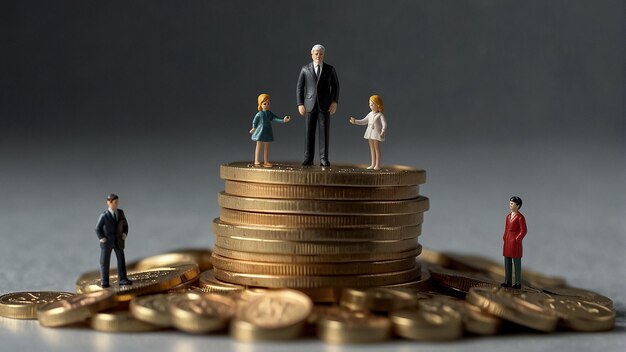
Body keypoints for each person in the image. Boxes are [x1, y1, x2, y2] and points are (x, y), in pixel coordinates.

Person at [296, 44, 340, 167]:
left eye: (321, 54)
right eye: (316, 53)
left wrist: (334, 102)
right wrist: (300, 103)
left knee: (324, 132)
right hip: (309, 104)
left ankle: (324, 158)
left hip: (325, 105)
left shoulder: (329, 69)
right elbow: (300, 87)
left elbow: (336, 86)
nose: (318, 56)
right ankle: (308, 158)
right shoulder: (305, 69)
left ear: (323, 55)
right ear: (312, 54)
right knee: (308, 132)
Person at [95, 194, 132, 287]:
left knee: (121, 260)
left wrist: (124, 233)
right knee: (105, 262)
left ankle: (123, 279)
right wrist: (101, 237)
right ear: (109, 203)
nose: (116, 204)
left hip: (118, 241)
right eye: (115, 203)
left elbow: (125, 225)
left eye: (117, 202)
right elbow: (97, 228)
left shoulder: (120, 213)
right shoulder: (104, 215)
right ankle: (104, 281)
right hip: (107, 242)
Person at [250, 93, 291, 167]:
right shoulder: (259, 114)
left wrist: (283, 120)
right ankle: (256, 160)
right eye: (265, 103)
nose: (267, 105)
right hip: (260, 131)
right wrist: (254, 128)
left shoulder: (269, 113)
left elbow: (275, 118)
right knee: (258, 146)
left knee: (266, 147)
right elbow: (255, 121)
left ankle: (266, 161)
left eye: (268, 103)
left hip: (267, 131)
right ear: (260, 104)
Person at [349, 95, 387, 170]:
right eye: (369, 104)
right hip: (370, 133)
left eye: (372, 104)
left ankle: (377, 165)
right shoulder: (370, 114)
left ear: (378, 105)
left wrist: (383, 130)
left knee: (376, 148)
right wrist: (355, 121)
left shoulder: (380, 115)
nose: (370, 106)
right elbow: (364, 121)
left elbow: (384, 124)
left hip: (376, 133)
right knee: (372, 149)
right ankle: (373, 164)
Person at [501, 196, 527, 289]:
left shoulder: (520, 217)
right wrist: (504, 236)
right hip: (507, 241)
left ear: (518, 205)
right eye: (510, 203)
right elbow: (506, 228)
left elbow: (524, 230)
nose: (510, 205)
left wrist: (517, 239)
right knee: (507, 261)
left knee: (516, 263)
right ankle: (507, 280)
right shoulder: (508, 216)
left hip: (515, 243)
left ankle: (518, 282)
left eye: (512, 203)